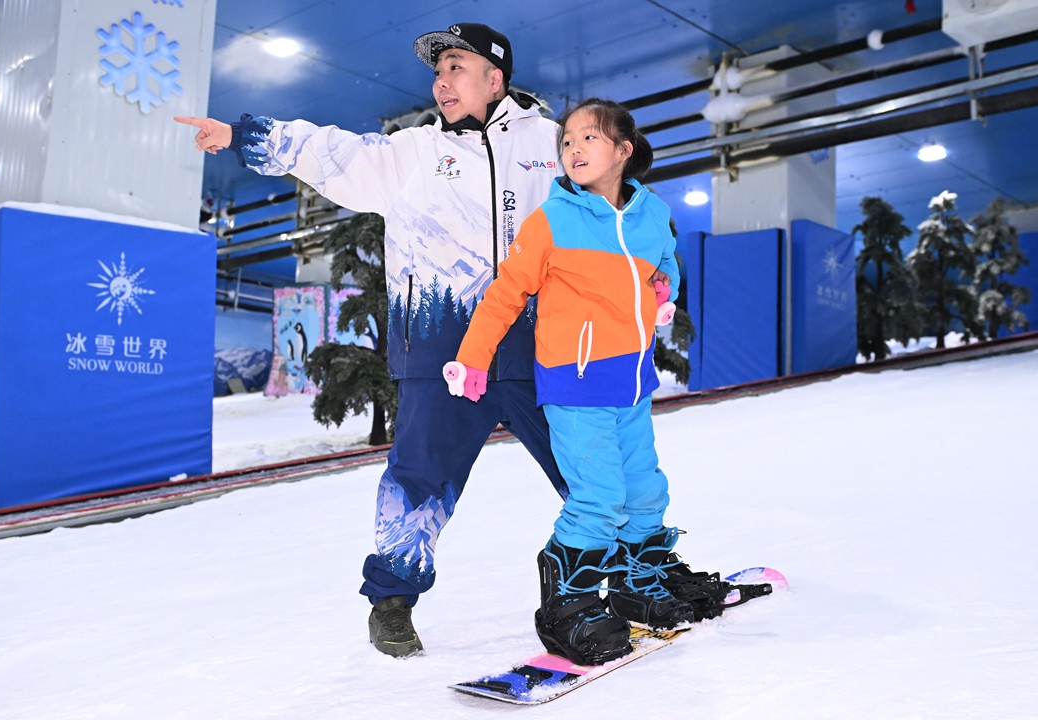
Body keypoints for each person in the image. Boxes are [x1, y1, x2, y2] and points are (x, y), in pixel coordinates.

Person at [177, 24, 672, 658]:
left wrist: (652, 273)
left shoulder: (553, 144)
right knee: (419, 475)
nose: (442, 80)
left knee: (593, 467)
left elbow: (617, 206)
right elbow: (332, 153)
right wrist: (247, 137)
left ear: (496, 77)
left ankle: (641, 577)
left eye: (457, 67)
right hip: (441, 351)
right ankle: (391, 600)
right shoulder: (409, 154)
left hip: (545, 346)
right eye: (437, 71)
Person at [446, 98, 699, 665]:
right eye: (567, 142)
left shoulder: (650, 212)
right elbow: (505, 291)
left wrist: (665, 291)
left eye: (588, 138)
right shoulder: (553, 220)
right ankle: (569, 603)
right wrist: (473, 357)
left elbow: (667, 259)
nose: (574, 149)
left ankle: (636, 585)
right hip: (575, 382)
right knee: (599, 496)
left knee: (644, 488)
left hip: (632, 381)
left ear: (623, 151)